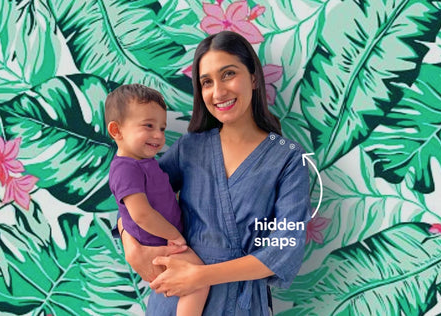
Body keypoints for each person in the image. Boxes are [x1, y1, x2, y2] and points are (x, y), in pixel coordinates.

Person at [119, 31, 311, 315]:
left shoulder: (288, 159)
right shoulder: (190, 147)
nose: (218, 92)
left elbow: (282, 250)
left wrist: (199, 276)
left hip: (236, 300)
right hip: (175, 299)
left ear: (254, 78)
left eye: (228, 74)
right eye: (206, 82)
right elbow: (133, 195)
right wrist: (130, 245)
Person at [105, 84, 209, 316]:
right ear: (116, 130)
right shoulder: (125, 169)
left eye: (161, 128)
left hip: (160, 242)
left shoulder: (144, 163)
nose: (158, 136)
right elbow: (140, 214)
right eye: (148, 126)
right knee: (198, 279)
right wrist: (174, 236)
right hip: (158, 245)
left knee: (194, 282)